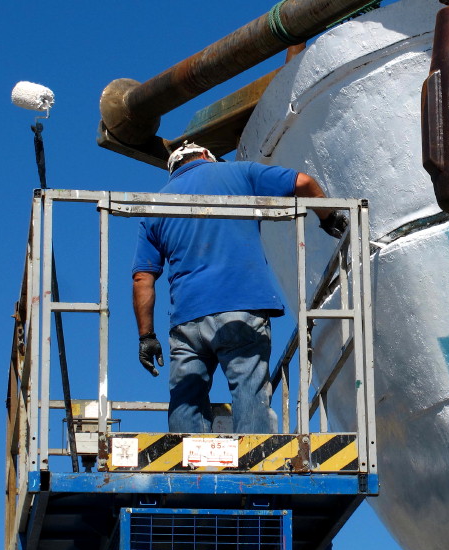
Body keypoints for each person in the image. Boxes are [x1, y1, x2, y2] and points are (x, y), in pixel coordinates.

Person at [131, 142, 347, 433]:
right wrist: (329, 217)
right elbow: (303, 182)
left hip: (186, 318)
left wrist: (147, 336)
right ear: (206, 156)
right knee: (249, 389)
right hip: (241, 305)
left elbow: (142, 278)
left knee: (186, 399)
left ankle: (186, 462)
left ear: (173, 170)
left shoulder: (155, 206)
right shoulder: (237, 173)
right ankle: (256, 460)